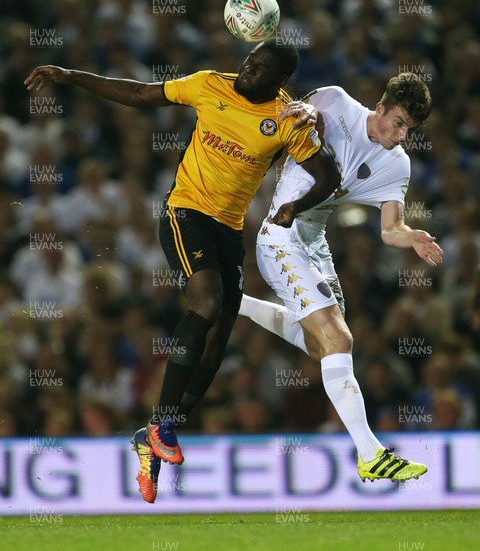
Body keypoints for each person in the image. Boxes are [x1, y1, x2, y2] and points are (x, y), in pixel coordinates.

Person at [24, 39, 341, 503]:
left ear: (280, 81)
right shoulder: (208, 84)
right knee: (208, 302)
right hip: (184, 211)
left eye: (261, 69)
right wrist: (71, 76)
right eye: (250, 62)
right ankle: (160, 428)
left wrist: (295, 205)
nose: (248, 70)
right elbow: (138, 94)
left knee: (218, 338)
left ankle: (156, 430)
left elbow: (328, 176)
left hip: (229, 230)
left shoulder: (287, 120)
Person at [239, 72, 443, 483]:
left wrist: (412, 236)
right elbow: (284, 122)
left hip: (315, 245)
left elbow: (389, 229)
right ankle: (371, 453)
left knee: (322, 348)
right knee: (340, 339)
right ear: (380, 108)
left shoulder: (396, 163)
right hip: (280, 238)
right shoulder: (334, 101)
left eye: (410, 129)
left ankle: (236, 304)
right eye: (399, 122)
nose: (402, 135)